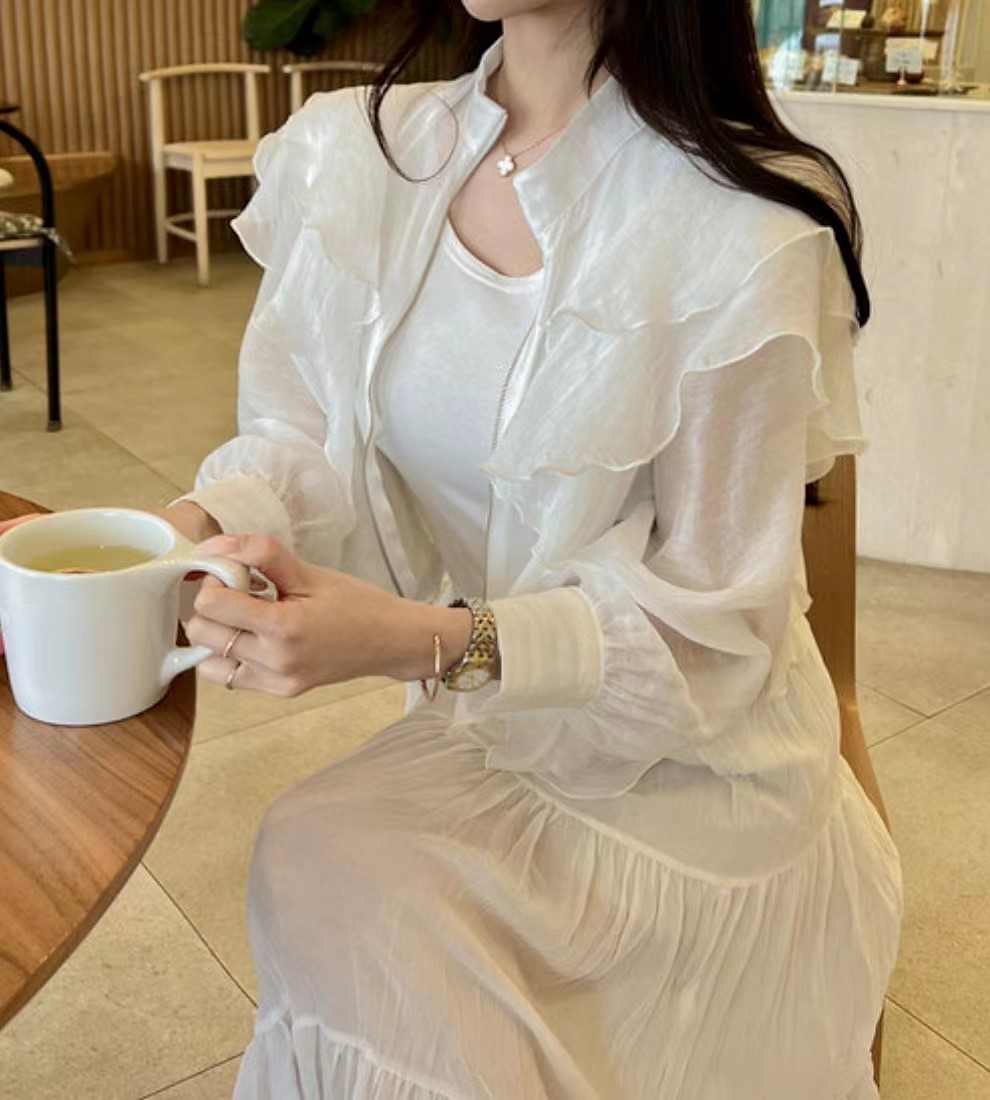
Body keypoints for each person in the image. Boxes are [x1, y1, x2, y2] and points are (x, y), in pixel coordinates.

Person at [10, 1, 904, 1095]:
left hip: (693, 772)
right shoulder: (363, 155)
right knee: (328, 869)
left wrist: (421, 642)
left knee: (333, 866)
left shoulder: (744, 222)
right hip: (499, 719)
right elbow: (308, 443)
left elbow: (713, 635)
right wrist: (184, 534)